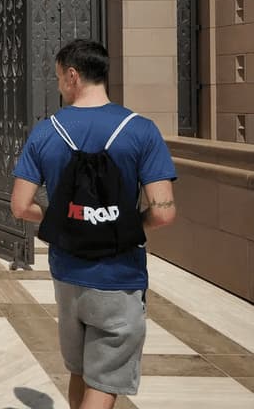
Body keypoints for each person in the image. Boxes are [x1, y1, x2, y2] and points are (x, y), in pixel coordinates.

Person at [10, 39, 177, 409]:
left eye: (57, 78)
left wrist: (68, 221)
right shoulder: (141, 130)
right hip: (119, 276)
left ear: (73, 76)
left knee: (80, 371)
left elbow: (21, 207)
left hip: (67, 271)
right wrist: (121, 225)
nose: (58, 86)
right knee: (104, 382)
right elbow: (164, 211)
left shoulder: (46, 131)